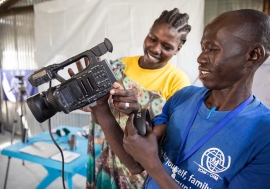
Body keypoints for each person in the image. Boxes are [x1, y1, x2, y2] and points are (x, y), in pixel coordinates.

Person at [120, 9, 270, 189]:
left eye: (213, 49)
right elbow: (135, 162)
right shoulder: (184, 97)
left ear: (253, 55)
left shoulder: (264, 135)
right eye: (203, 48)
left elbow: (148, 160)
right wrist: (102, 110)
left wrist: (153, 165)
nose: (200, 58)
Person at [68, 8, 191, 189]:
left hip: (139, 170)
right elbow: (98, 120)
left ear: (178, 49)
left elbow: (160, 143)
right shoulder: (118, 66)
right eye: (153, 38)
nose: (155, 49)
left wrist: (135, 112)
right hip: (106, 155)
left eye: (167, 46)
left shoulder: (178, 82)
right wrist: (91, 105)